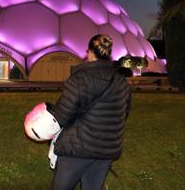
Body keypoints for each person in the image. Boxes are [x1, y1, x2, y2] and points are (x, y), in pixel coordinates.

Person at [51, 34, 131, 190]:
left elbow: (61, 116)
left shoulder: (80, 79)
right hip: (105, 150)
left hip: (78, 148)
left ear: (89, 52)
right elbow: (124, 114)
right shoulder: (121, 82)